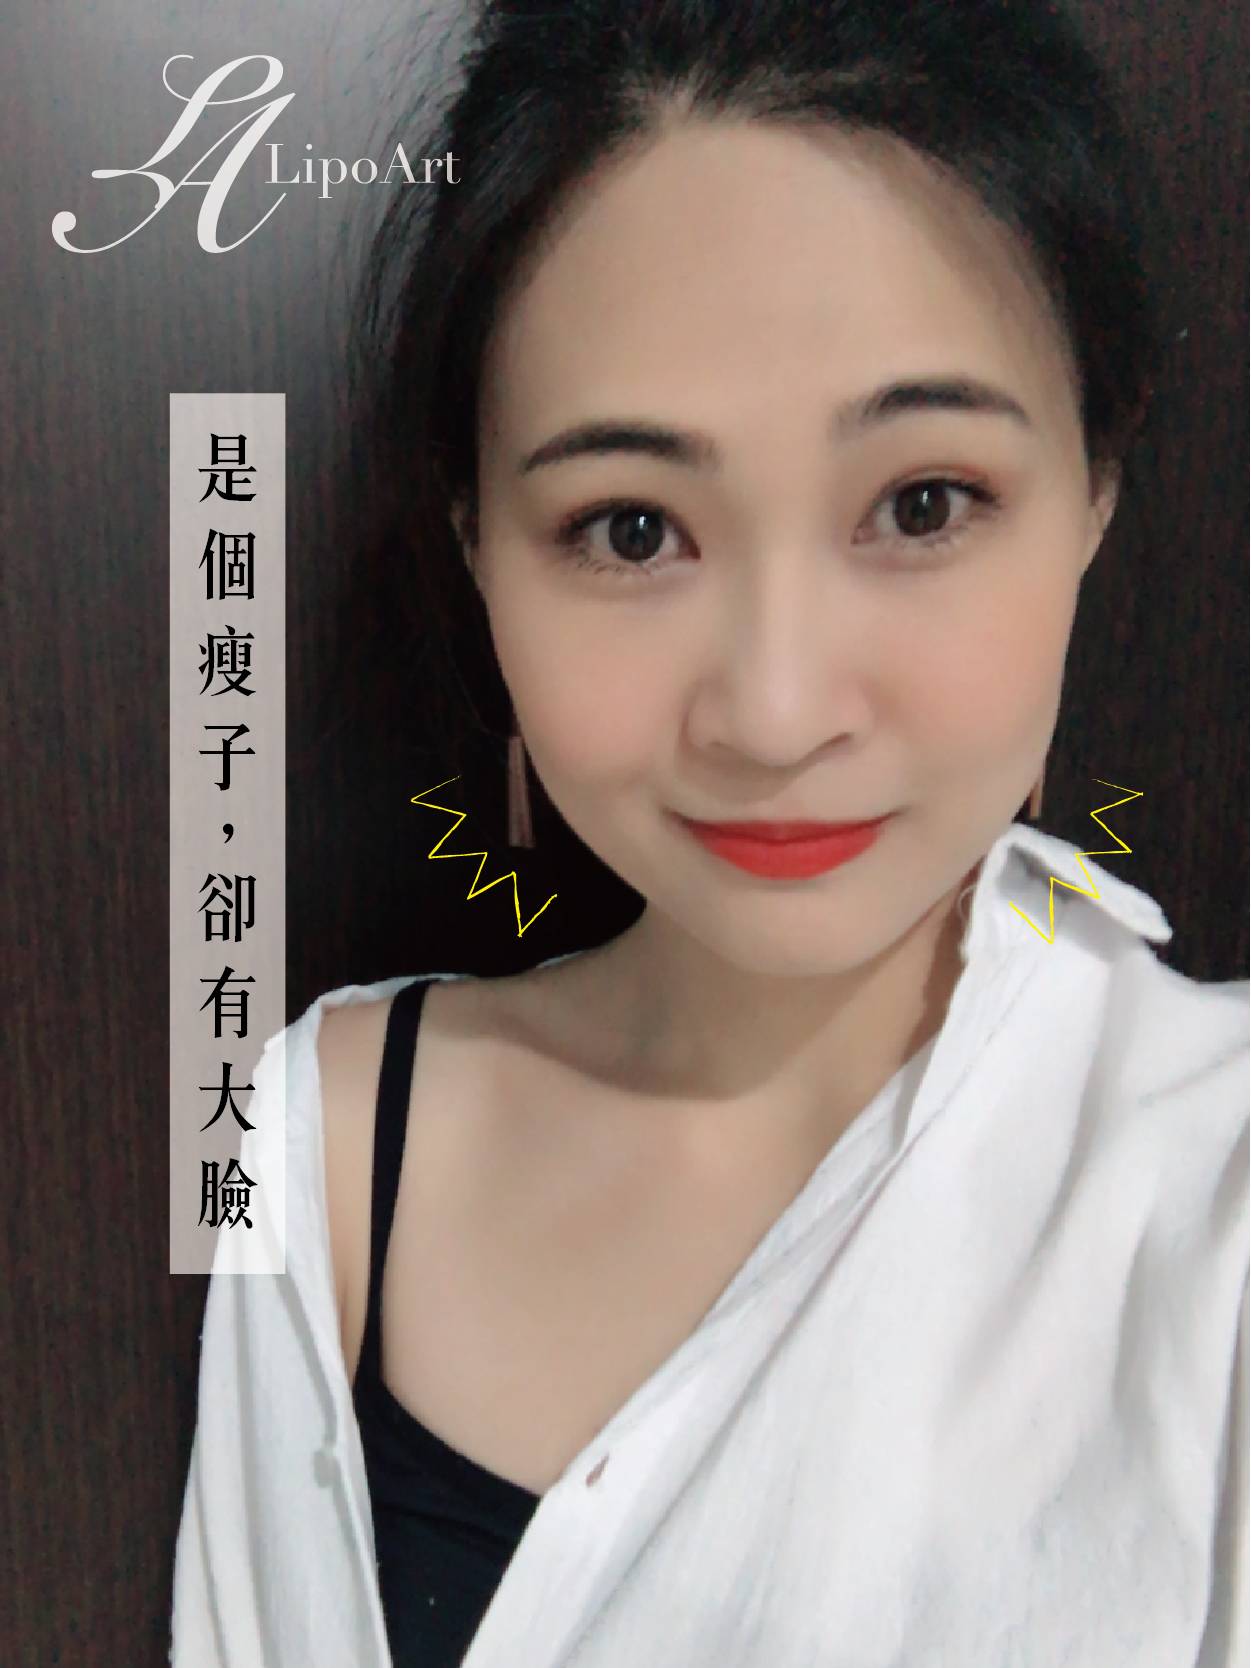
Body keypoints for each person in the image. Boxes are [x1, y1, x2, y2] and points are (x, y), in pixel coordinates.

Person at [170, 1, 1249, 1664]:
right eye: (628, 528)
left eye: (923, 505)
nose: (774, 711)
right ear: (475, 539)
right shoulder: (317, 1137)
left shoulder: (1214, 1177)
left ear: (1095, 487)